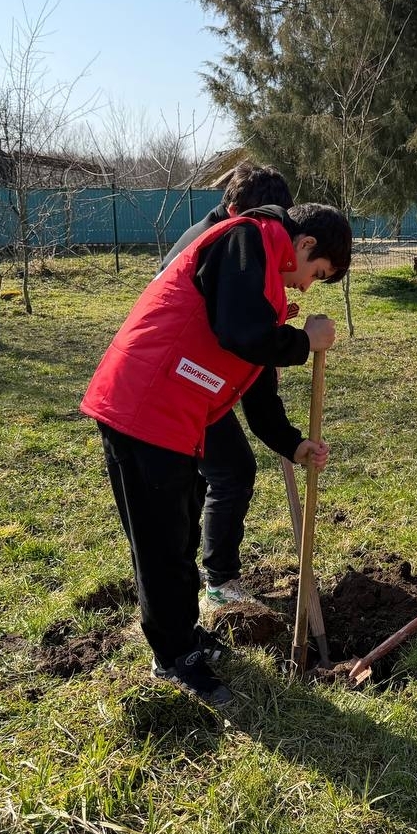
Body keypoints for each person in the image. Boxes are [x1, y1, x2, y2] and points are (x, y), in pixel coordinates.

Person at [81, 201, 352, 704]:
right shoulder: (245, 240)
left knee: (179, 537)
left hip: (177, 420)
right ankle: (174, 658)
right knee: (163, 547)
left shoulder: (264, 285)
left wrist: (294, 444)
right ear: (306, 244)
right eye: (316, 272)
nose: (307, 286)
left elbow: (257, 387)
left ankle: (185, 639)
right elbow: (242, 336)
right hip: (143, 410)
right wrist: (303, 341)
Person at [159, 163, 297, 609]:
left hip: (193, 382)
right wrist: (281, 342)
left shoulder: (222, 237)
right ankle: (218, 582)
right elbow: (237, 332)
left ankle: (200, 575)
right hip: (179, 386)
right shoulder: (233, 240)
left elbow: (242, 334)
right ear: (236, 209)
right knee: (231, 470)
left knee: (206, 478)